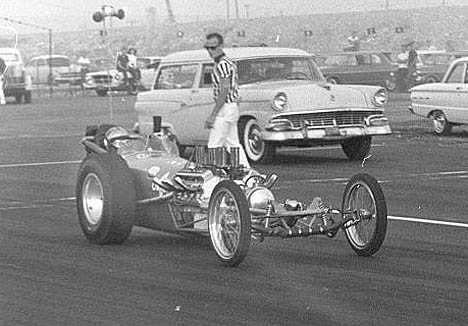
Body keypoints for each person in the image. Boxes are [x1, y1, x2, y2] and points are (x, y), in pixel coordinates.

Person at [203, 32, 250, 168]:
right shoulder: (225, 63)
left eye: (213, 48)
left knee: (214, 144)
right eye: (207, 48)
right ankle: (245, 171)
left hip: (226, 108)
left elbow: (223, 91)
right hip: (231, 107)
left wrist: (213, 115)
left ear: (221, 46)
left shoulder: (223, 64)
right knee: (232, 144)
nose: (210, 51)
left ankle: (216, 172)